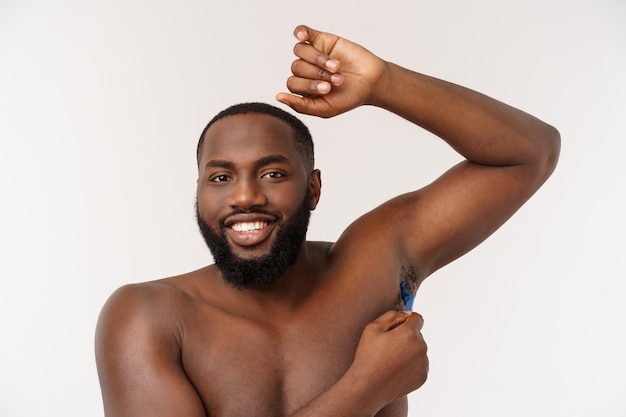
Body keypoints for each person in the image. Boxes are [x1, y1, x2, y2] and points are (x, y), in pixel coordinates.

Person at [95, 25, 560, 417]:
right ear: (199, 192)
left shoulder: (375, 264)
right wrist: (363, 390)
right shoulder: (148, 316)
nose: (244, 196)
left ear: (313, 189)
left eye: (273, 173)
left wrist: (383, 83)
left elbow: (527, 154)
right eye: (220, 177)